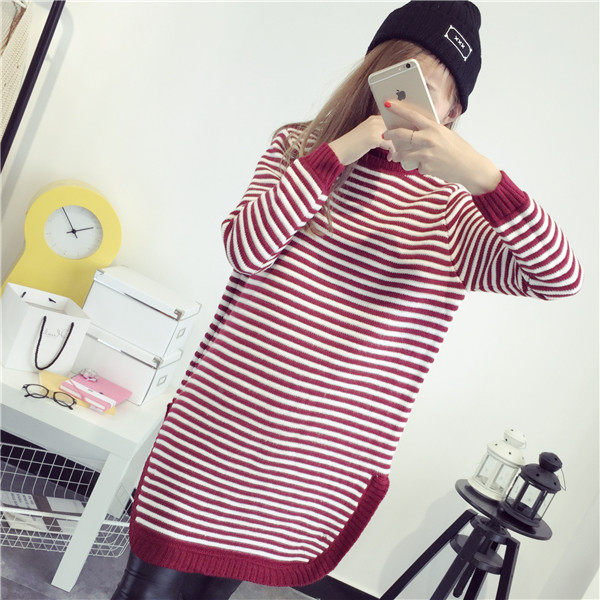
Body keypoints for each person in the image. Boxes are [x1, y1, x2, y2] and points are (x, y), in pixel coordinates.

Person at [111, 1, 584, 598]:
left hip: (307, 468)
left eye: (429, 93)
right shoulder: (300, 148)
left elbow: (559, 277)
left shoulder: (451, 215)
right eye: (398, 77)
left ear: (453, 112)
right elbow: (246, 248)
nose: (405, 103)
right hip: (219, 431)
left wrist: (485, 179)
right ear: (371, 75)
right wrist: (341, 151)